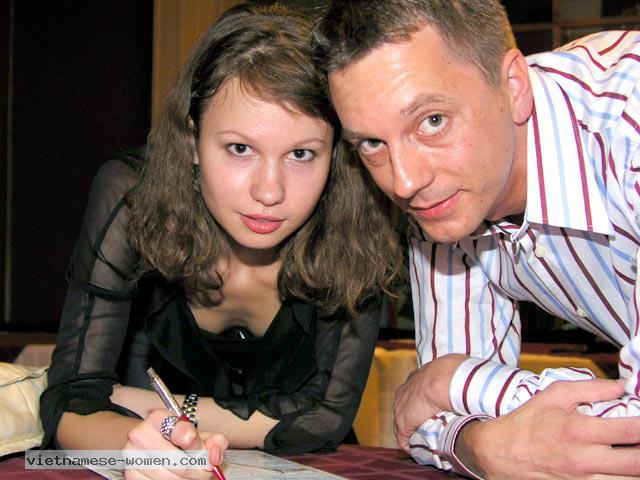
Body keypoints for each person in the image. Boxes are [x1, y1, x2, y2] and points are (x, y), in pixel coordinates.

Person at [40, 3, 402, 478]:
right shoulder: (131, 199)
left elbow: (325, 420)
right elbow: (69, 403)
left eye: (300, 154)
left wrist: (151, 407)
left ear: (334, 153)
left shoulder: (356, 219)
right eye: (240, 148)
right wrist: (140, 447)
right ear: (192, 141)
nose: (269, 192)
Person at [315, 0, 640, 478]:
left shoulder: (629, 126)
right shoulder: (449, 195)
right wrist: (478, 444)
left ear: (514, 86)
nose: (403, 182)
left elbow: (435, 393)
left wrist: (452, 379)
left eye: (432, 121)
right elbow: (427, 420)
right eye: (371, 143)